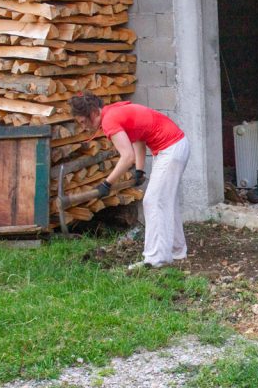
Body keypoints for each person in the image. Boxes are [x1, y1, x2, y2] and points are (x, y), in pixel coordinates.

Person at [70, 93, 189, 269]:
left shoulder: (109, 121)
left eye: (82, 121)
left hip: (170, 148)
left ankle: (155, 259)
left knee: (153, 201)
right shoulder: (114, 112)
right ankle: (176, 250)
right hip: (174, 145)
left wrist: (106, 183)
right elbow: (139, 137)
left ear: (94, 113)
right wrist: (139, 170)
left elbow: (127, 157)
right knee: (166, 201)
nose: (83, 126)